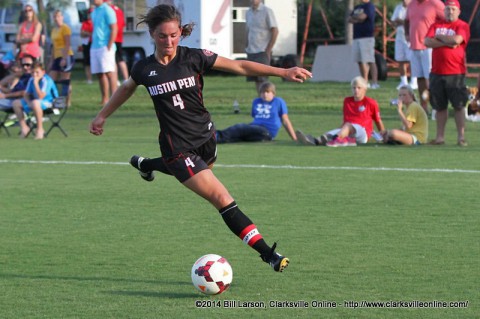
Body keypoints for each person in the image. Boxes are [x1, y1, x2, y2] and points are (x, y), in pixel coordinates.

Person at [89, 4, 311, 272]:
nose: (169, 41)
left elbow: (239, 66)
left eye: (174, 35)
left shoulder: (194, 57)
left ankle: (146, 165)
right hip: (177, 147)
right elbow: (125, 88)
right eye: (162, 36)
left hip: (206, 138)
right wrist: (102, 116)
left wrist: (283, 72)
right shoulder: (144, 69)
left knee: (198, 172)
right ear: (151, 34)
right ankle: (268, 254)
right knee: (221, 197)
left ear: (181, 33)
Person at [425, 0, 470, 146]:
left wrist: (439, 38)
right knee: (439, 106)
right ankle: (440, 137)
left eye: (453, 9)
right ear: (444, 11)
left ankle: (461, 137)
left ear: (458, 11)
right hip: (437, 72)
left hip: (455, 73)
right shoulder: (436, 25)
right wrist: (448, 42)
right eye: (447, 9)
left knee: (458, 105)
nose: (450, 12)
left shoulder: (462, 25)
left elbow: (457, 39)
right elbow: (426, 41)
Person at [296, 76, 385, 147]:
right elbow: (346, 120)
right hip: (348, 130)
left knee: (347, 126)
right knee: (328, 135)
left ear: (365, 89)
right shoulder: (347, 101)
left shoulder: (370, 102)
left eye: (359, 88)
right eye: (354, 88)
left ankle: (338, 140)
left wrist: (383, 136)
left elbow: (378, 120)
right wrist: (338, 130)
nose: (356, 90)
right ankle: (315, 141)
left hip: (363, 133)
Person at [216, 82, 297, 143]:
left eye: (268, 92)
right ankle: (213, 140)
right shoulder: (256, 101)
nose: (265, 94)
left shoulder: (278, 101)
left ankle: (215, 136)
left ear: (273, 93)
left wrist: (294, 138)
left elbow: (285, 121)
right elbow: (255, 116)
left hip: (266, 131)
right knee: (237, 137)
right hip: (255, 129)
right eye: (262, 92)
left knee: (240, 127)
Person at [405, 0, 444, 114]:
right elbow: (406, 20)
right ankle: (424, 106)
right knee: (420, 78)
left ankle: (436, 106)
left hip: (429, 47)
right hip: (414, 46)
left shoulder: (435, 3)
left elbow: (446, 19)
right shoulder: (412, 4)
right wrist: (407, 34)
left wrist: (438, 37)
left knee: (431, 78)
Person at [11, 62, 58, 139]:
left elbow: (41, 96)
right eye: (33, 72)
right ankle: (24, 128)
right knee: (16, 103)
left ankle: (40, 129)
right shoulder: (31, 79)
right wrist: (29, 102)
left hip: (51, 102)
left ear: (43, 72)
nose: (35, 74)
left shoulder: (46, 80)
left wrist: (36, 82)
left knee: (35, 103)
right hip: (36, 102)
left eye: (37, 72)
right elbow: (26, 94)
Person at [245, 0, 278, 94]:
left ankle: (269, 100)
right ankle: (260, 100)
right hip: (251, 50)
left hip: (262, 50)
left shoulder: (267, 11)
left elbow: (275, 30)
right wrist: (246, 46)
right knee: (255, 79)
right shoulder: (248, 12)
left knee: (263, 79)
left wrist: (268, 49)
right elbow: (248, 30)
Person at [91, 0, 118, 106]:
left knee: (109, 73)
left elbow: (114, 28)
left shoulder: (108, 10)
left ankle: (114, 99)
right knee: (100, 73)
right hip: (95, 46)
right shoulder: (94, 11)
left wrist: (109, 46)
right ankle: (105, 99)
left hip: (105, 46)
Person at [348, 0, 379, 89]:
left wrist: (356, 18)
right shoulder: (357, 7)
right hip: (356, 37)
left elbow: (363, 17)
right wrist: (357, 18)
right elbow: (349, 19)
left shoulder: (369, 6)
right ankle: (365, 81)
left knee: (370, 60)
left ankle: (375, 82)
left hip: (367, 37)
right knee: (360, 61)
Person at [48, 10, 75, 105]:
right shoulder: (54, 30)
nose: (57, 19)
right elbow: (54, 46)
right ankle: (54, 100)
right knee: (52, 79)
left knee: (65, 80)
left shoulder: (65, 28)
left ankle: (66, 101)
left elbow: (67, 44)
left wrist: (64, 58)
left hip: (66, 56)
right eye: (55, 17)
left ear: (62, 17)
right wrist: (51, 60)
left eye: (58, 16)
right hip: (57, 56)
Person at [391, 0, 417, 90]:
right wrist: (398, 22)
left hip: (410, 38)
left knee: (412, 60)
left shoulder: (414, 7)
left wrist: (400, 21)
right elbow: (393, 22)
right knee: (400, 60)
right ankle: (403, 82)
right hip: (399, 38)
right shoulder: (398, 8)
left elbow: (413, 22)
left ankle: (414, 81)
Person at [108, 0, 129, 83]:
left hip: (112, 38)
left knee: (114, 60)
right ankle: (126, 78)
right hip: (119, 38)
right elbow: (123, 24)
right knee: (120, 59)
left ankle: (115, 79)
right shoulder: (119, 10)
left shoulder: (109, 10)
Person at [80, 8, 94, 84]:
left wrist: (87, 33)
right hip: (86, 44)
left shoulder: (95, 22)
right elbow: (82, 33)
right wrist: (90, 34)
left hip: (94, 44)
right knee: (87, 62)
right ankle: (89, 78)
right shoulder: (85, 23)